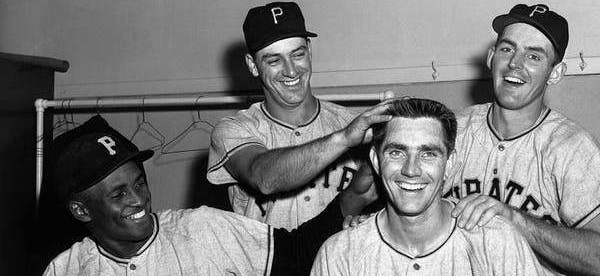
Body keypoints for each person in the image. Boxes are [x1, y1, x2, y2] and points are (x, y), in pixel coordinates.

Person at [44, 115, 376, 276]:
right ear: (82, 210)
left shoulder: (200, 230)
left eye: (139, 183)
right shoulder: (67, 269)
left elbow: (296, 255)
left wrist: (353, 199)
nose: (139, 199)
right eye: (118, 194)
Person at [444, 4, 600, 275]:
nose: (515, 63)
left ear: (555, 73)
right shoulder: (450, 130)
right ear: (492, 57)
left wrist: (515, 219)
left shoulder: (571, 146)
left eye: (534, 56)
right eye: (507, 49)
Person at [311, 98, 552, 275]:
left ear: (450, 164)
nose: (411, 169)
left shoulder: (496, 241)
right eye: (397, 152)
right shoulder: (341, 254)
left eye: (428, 154)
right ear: (375, 160)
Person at [208, 1, 393, 230]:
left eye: (297, 54)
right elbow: (264, 178)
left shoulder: (350, 123)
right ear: (253, 65)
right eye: (274, 60)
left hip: (340, 262)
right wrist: (343, 139)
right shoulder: (235, 129)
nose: (291, 70)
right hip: (266, 264)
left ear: (310, 51)